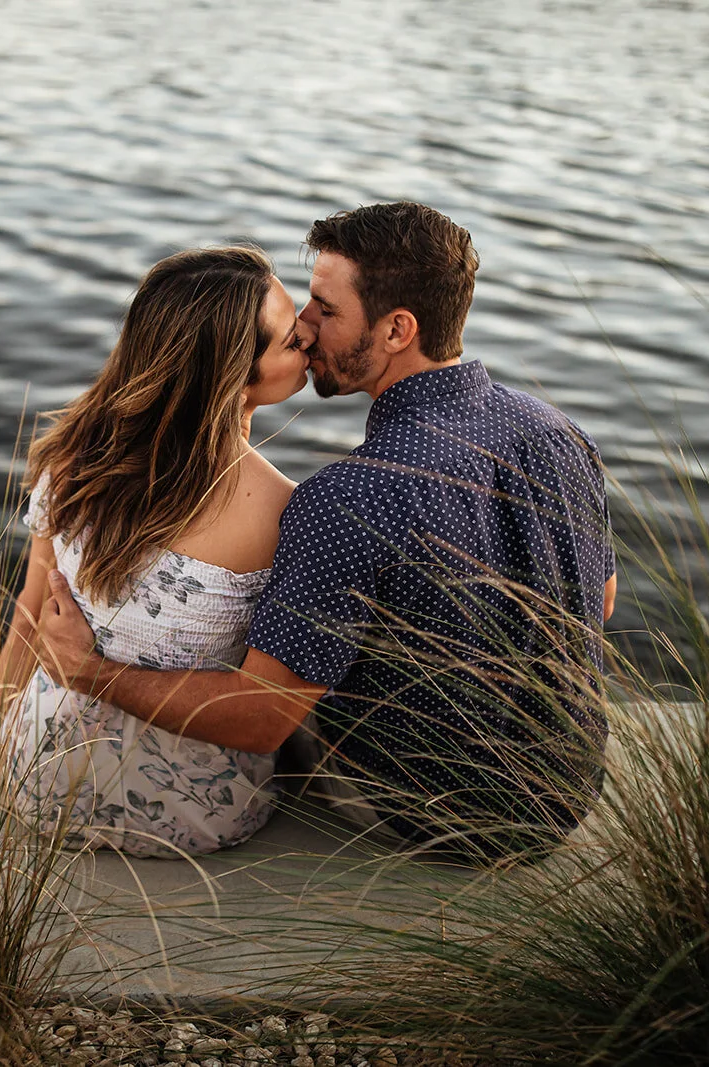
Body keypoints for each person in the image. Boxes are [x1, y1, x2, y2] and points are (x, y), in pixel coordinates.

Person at [36, 202, 617, 862]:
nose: (307, 327)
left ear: (398, 329)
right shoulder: (560, 433)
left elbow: (261, 718)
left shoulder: (344, 499)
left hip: (439, 819)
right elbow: (597, 603)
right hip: (567, 793)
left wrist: (88, 670)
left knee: (287, 658)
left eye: (325, 308)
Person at [0, 245, 316, 857]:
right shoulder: (283, 508)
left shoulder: (75, 456)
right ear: (235, 377)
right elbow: (265, 712)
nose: (308, 342)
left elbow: (31, 607)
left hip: (40, 786)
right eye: (290, 341)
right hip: (196, 819)